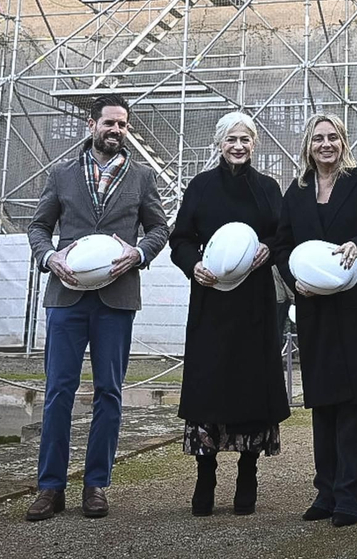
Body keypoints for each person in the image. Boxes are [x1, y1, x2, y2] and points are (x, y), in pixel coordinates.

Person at [25, 93, 170, 521]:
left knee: (109, 392)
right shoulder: (62, 174)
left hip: (116, 298)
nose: (116, 130)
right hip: (66, 297)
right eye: (109, 123)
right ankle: (50, 487)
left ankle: (96, 485)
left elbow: (159, 228)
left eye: (122, 124)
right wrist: (49, 258)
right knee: (58, 392)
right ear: (92, 125)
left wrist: (139, 253)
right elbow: (38, 227)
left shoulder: (142, 177)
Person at [276, 112, 357, 528]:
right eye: (318, 139)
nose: (325, 144)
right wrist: (295, 280)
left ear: (343, 141)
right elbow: (282, 244)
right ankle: (325, 491)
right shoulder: (297, 191)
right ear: (308, 146)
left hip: (354, 307)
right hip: (314, 307)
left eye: (332, 137)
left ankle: (350, 495)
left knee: (350, 402)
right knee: (322, 400)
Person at [168, 111, 290, 517]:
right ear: (220, 144)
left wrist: (268, 247)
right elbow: (180, 239)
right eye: (231, 139)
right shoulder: (201, 187)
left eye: (245, 139)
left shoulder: (268, 188)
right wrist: (193, 265)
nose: (239, 146)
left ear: (254, 144)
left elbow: (281, 233)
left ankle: (247, 473)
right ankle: (205, 475)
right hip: (211, 299)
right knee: (209, 386)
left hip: (255, 301)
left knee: (252, 385)